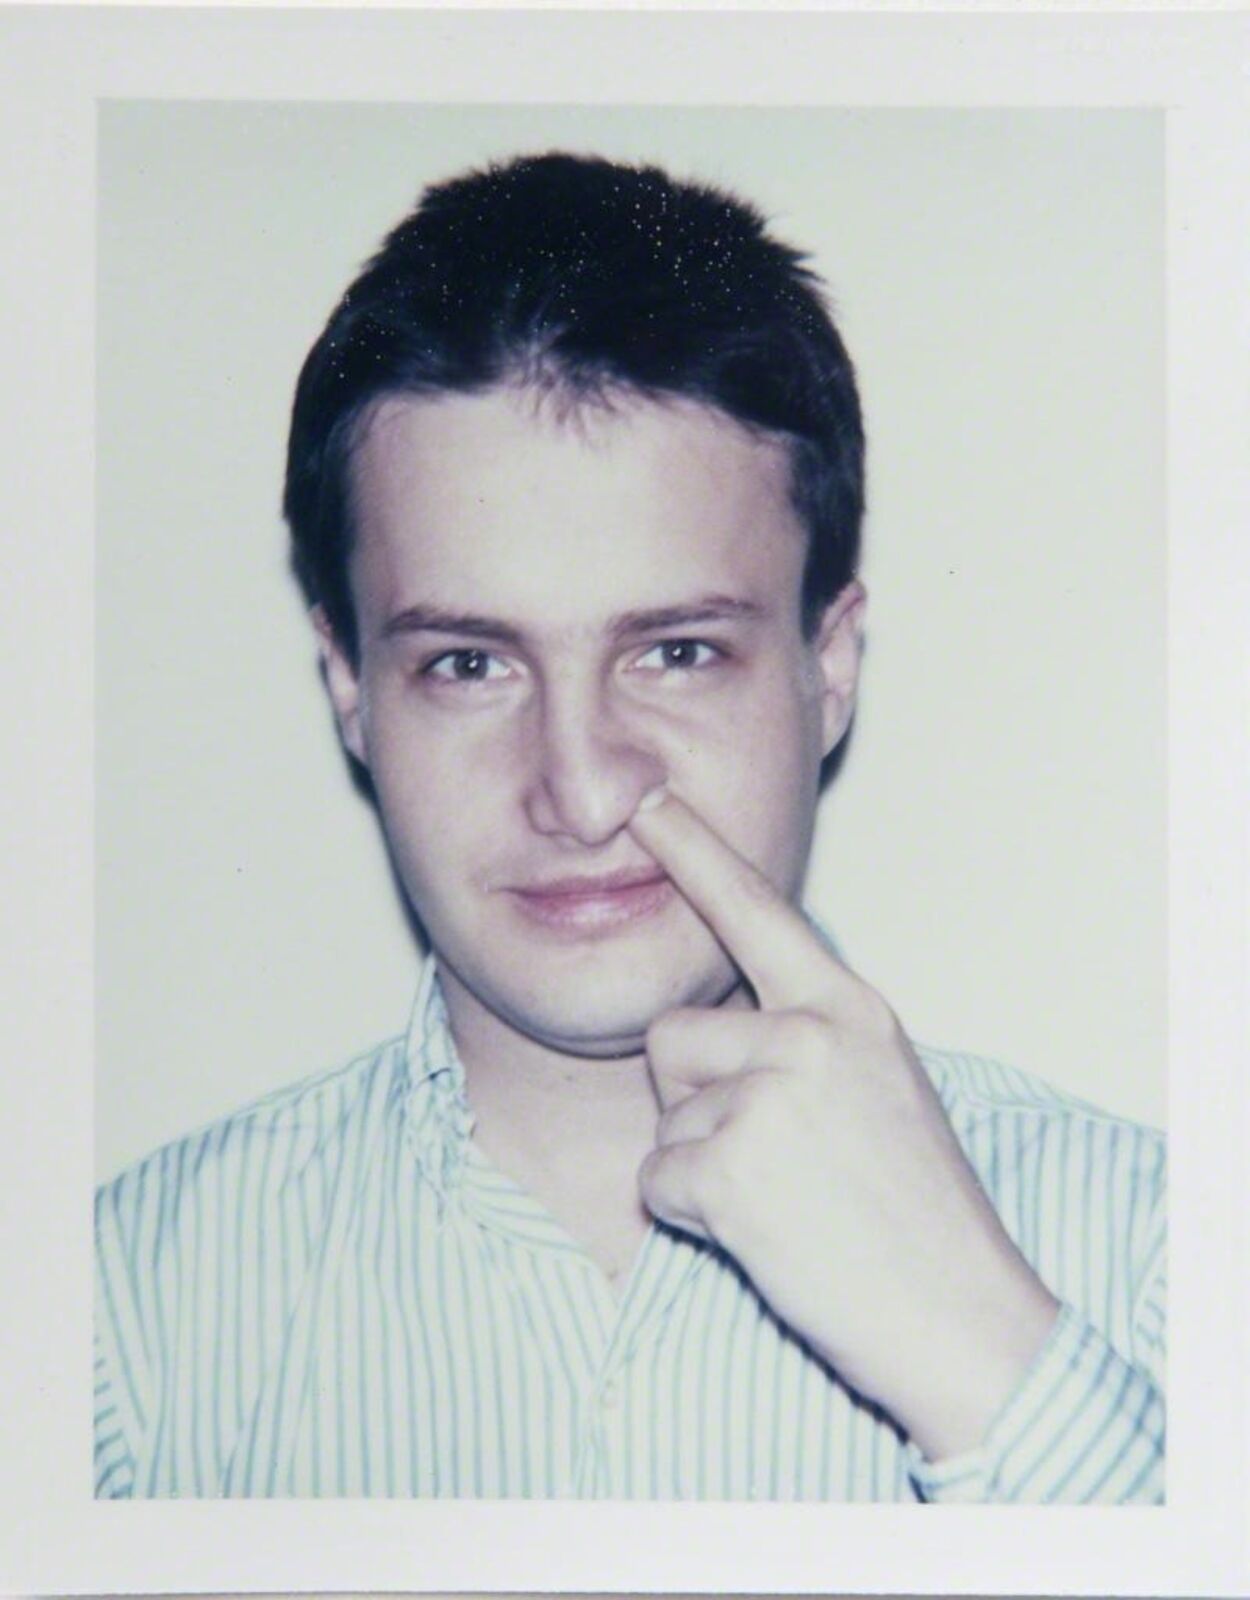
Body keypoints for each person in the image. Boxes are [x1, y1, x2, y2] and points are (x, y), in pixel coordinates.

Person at [93, 152, 1165, 1502]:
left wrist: (984, 1359)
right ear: (347, 690)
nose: (583, 793)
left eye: (674, 653)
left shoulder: (1152, 1252)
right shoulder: (120, 1319)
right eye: (468, 666)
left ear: (826, 668)